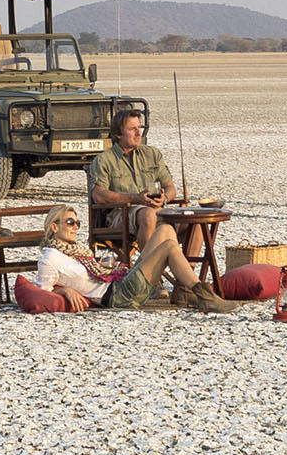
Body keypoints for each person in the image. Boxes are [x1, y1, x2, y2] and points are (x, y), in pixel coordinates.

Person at [35, 206, 234, 313]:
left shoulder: (73, 249)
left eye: (77, 222)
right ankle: (205, 296)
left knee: (165, 229)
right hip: (118, 296)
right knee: (170, 247)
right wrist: (66, 290)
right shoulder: (50, 259)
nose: (75, 226)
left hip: (121, 281)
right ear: (54, 227)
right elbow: (42, 292)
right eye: (70, 222)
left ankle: (184, 291)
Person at [88, 106, 177, 245]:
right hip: (121, 214)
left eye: (139, 127)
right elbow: (99, 195)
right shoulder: (104, 160)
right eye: (132, 129)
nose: (138, 133)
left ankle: (188, 266)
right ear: (118, 134)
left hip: (157, 209)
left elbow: (170, 186)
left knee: (195, 221)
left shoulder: (152, 154)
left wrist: (164, 198)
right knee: (148, 214)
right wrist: (135, 199)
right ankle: (148, 265)